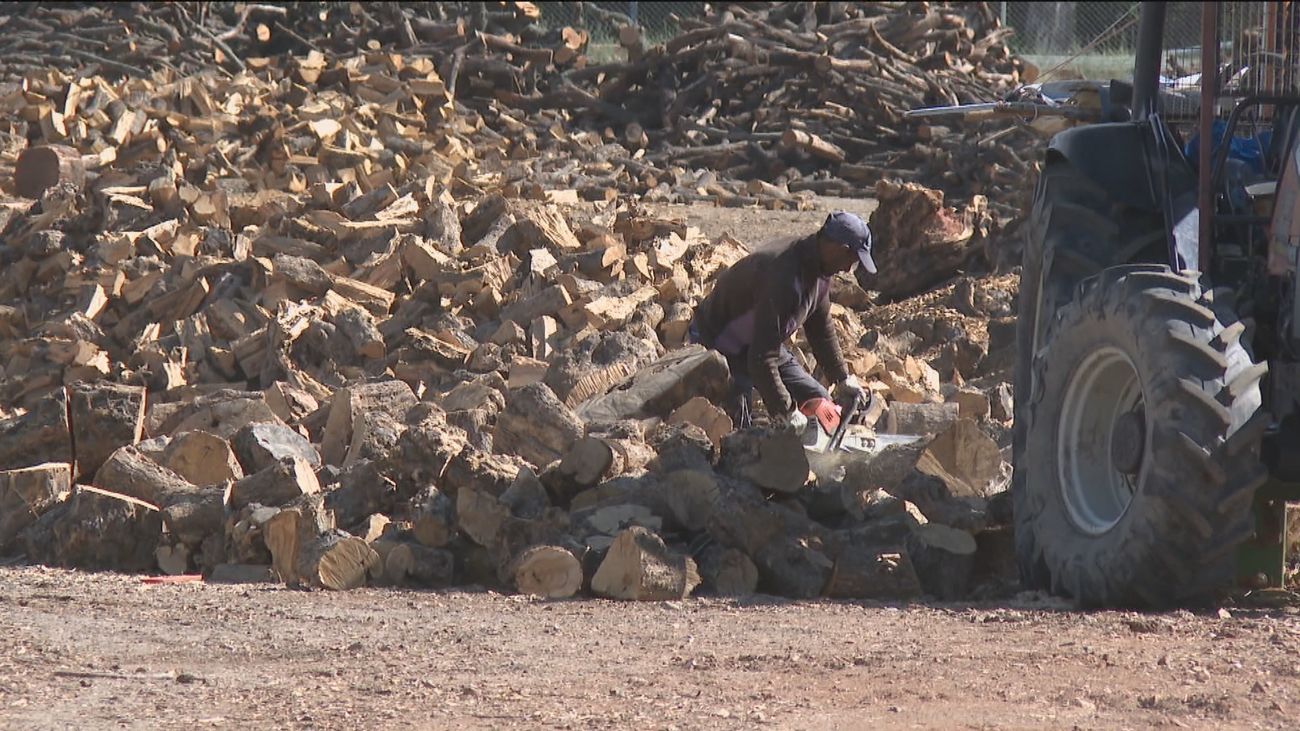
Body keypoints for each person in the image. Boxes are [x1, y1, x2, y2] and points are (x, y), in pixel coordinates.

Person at [689, 211, 875, 432]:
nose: (847, 269)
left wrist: (842, 378)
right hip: (720, 343)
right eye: (850, 260)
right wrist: (786, 411)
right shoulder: (783, 276)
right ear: (838, 248)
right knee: (739, 426)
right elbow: (760, 359)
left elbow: (821, 331)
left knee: (819, 401)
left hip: (761, 340)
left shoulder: (819, 271)